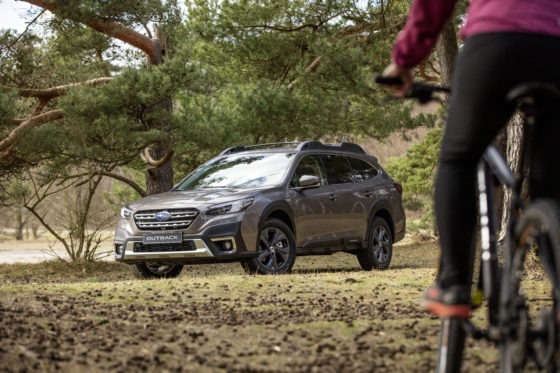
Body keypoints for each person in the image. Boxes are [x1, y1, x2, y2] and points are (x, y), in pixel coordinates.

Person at [382, 0, 560, 318]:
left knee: (459, 160)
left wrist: (405, 60)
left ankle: (453, 284)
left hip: (495, 42)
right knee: (551, 181)